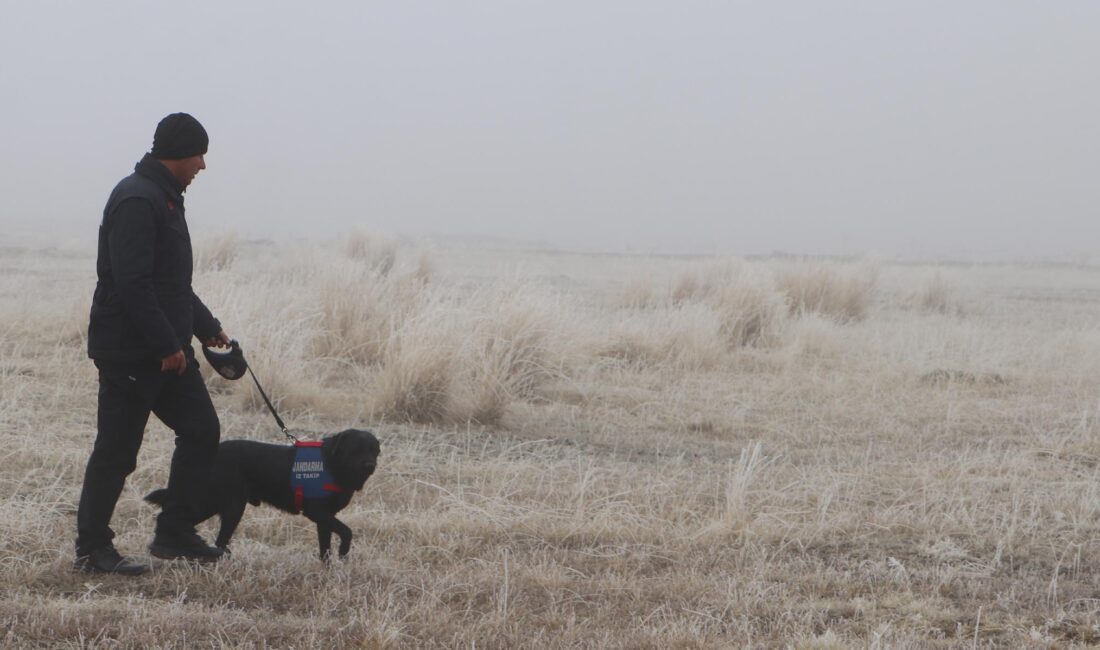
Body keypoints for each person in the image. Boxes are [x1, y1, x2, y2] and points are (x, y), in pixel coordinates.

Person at [75, 113, 230, 575]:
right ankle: (92, 549)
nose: (203, 164)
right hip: (130, 351)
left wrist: (206, 327)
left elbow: (170, 283)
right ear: (178, 154)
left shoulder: (164, 198)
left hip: (166, 350)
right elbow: (132, 284)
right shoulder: (137, 200)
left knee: (202, 430)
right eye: (198, 154)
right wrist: (167, 344)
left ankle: (174, 532)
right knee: (117, 452)